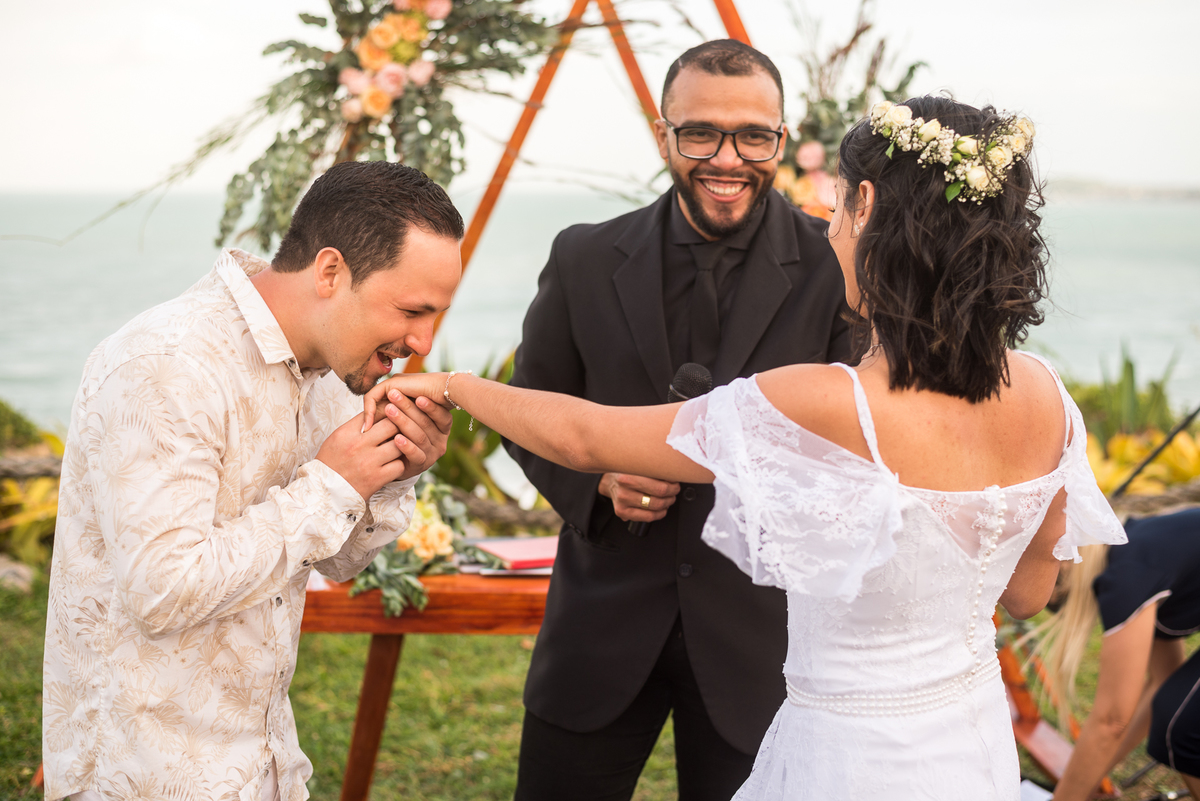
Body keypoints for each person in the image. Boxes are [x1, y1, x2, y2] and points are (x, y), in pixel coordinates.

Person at [365, 95, 1128, 799]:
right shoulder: (1045, 394)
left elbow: (585, 434)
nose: (830, 227)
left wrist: (454, 385)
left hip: (846, 755)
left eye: (837, 206)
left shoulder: (823, 402)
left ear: (866, 206)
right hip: (968, 745)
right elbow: (1025, 593)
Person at [42, 161, 463, 801]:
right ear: (330, 272)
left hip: (269, 764)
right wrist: (330, 485)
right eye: (412, 310)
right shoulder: (167, 363)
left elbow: (339, 562)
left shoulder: (334, 371)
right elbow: (161, 590)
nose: (424, 342)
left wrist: (392, 476)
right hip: (143, 774)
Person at [501, 38, 853, 800]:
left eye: (752, 136)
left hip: (764, 645)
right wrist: (596, 482)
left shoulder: (838, 265)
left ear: (781, 139)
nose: (727, 158)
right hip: (598, 634)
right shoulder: (583, 257)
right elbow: (528, 407)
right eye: (700, 134)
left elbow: (861, 440)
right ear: (663, 135)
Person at [1035, 508, 1200, 800]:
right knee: (1177, 714)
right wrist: (1088, 783)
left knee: (1182, 728)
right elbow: (1161, 681)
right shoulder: (1134, 547)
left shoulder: (1126, 577)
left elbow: (1110, 722)